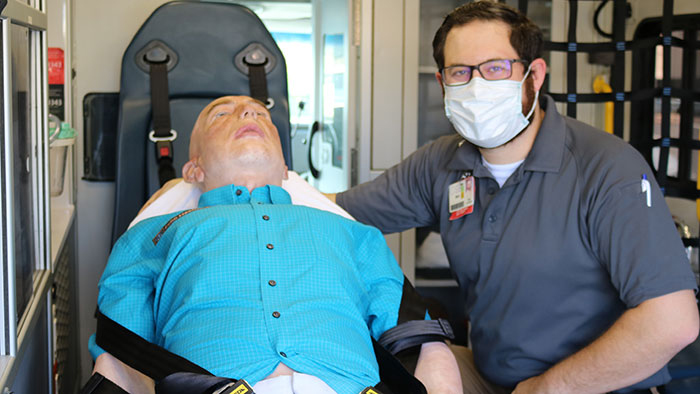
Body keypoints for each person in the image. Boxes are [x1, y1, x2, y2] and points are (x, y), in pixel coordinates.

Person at [329, 1, 700, 393]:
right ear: (442, 83)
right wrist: (263, 175)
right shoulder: (442, 162)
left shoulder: (606, 168)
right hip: (491, 376)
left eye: (495, 69)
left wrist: (545, 388)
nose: (476, 85)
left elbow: (672, 321)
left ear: (534, 76)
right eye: (460, 72)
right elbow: (332, 213)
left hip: (588, 385)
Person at [88, 95, 462, 394]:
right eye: (222, 114)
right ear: (193, 169)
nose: (246, 113)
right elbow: (121, 357)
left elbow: (421, 342)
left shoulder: (355, 235)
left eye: (259, 113)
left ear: (287, 169)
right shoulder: (152, 235)